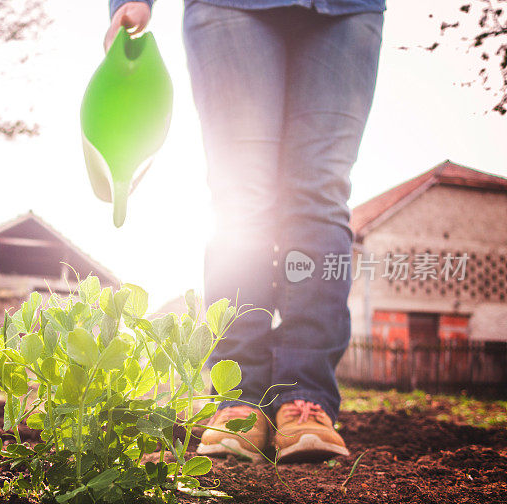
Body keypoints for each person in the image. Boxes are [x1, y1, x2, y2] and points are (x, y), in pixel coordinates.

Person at [104, 0, 384, 463]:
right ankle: (240, 396)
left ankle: (306, 398)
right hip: (230, 8)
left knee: (321, 194)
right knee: (241, 194)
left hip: (347, 10)